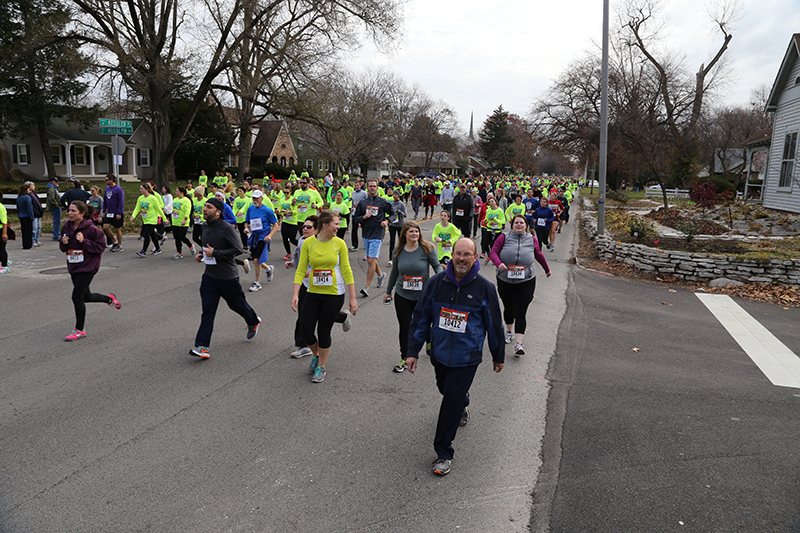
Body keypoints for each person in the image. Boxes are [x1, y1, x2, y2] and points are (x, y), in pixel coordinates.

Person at [406, 237, 505, 476]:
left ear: (475, 256)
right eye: (458, 254)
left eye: (466, 255)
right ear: (452, 254)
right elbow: (421, 317)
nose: (461, 259)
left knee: (450, 400)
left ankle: (443, 452)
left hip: (466, 357)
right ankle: (464, 401)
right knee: (445, 389)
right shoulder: (437, 283)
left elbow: (494, 325)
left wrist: (497, 355)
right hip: (439, 353)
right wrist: (412, 351)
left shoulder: (485, 288)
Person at [291, 210, 358, 383]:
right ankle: (316, 353)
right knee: (306, 331)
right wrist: (295, 293)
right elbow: (300, 270)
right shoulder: (308, 243)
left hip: (334, 294)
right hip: (313, 292)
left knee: (323, 330)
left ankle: (321, 366)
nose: (339, 226)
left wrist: (352, 297)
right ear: (325, 225)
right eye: (336, 223)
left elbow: (347, 270)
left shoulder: (339, 243)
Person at [190, 197, 262, 359]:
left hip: (227, 277)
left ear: (218, 212)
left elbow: (237, 249)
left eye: (209, 207)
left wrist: (214, 253)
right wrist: (202, 254)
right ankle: (202, 346)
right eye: (205, 206)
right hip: (209, 277)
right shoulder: (205, 226)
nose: (204, 209)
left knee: (237, 305)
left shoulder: (226, 228)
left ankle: (253, 321)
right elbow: (208, 247)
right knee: (207, 312)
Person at [383, 221, 441, 372]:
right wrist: (388, 291)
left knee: (425, 322)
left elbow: (437, 267)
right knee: (405, 326)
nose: (415, 234)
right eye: (411, 232)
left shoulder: (426, 249)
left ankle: (429, 341)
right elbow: (394, 272)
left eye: (417, 231)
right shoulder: (399, 250)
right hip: (403, 295)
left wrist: (443, 283)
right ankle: (404, 356)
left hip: (423, 296)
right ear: (405, 234)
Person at [59, 201, 121, 341]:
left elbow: (100, 247)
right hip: (73, 265)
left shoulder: (92, 229)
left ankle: (80, 329)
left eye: (73, 211)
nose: (69, 213)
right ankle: (110, 299)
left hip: (88, 266)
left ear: (82, 213)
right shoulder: (66, 226)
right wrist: (63, 243)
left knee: (76, 297)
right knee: (86, 296)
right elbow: (63, 248)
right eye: (69, 210)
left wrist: (84, 241)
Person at [490, 214, 551, 356]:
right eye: (516, 222)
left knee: (521, 310)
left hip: (526, 281)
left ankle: (519, 344)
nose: (519, 225)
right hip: (505, 279)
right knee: (508, 307)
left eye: (521, 223)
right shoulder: (503, 237)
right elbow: (494, 252)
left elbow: (538, 254)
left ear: (526, 225)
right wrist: (499, 264)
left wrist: (546, 269)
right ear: (512, 225)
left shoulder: (531, 239)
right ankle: (509, 331)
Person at [352, 178, 393, 297]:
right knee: (372, 259)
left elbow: (393, 213)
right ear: (367, 188)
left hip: (378, 233)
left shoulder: (382, 202)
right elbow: (355, 218)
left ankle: (366, 287)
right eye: (370, 186)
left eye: (374, 186)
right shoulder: (363, 203)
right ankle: (380, 275)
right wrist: (363, 217)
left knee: (370, 260)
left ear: (377, 187)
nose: (372, 188)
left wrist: (386, 221)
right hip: (366, 233)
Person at [245, 190, 279, 292]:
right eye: (253, 198)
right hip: (254, 237)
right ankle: (268, 269)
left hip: (263, 238)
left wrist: (270, 236)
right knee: (257, 260)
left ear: (261, 198)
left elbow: (276, 225)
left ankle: (257, 283)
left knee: (256, 260)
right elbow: (246, 222)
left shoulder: (267, 210)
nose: (254, 200)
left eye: (256, 198)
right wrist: (246, 228)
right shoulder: (250, 209)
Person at [130, 183, 165, 257]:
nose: (141, 190)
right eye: (140, 189)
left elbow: (159, 209)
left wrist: (164, 219)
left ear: (147, 189)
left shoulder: (153, 198)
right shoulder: (140, 198)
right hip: (145, 219)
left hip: (152, 220)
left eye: (142, 189)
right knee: (152, 235)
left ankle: (143, 251)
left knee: (146, 235)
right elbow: (137, 208)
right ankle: (158, 248)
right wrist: (133, 216)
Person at [102, 174, 126, 252]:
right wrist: (104, 210)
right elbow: (105, 200)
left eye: (107, 180)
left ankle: (119, 245)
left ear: (111, 180)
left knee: (117, 229)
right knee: (105, 227)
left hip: (117, 212)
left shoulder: (118, 189)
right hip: (109, 212)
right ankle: (114, 241)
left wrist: (119, 213)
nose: (105, 181)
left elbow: (121, 201)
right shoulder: (107, 189)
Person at [171, 187, 195, 259]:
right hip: (175, 221)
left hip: (183, 222)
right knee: (176, 238)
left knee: (182, 237)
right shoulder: (175, 199)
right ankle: (179, 252)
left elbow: (188, 211)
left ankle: (190, 245)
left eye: (177, 191)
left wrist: (185, 219)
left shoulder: (186, 200)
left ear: (182, 192)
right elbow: (174, 209)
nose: (176, 192)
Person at [277, 183, 298, 260]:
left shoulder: (293, 199)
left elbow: (296, 211)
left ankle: (302, 247)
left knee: (292, 239)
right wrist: (281, 211)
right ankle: (288, 253)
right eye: (284, 192)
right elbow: (279, 210)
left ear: (291, 192)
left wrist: (289, 212)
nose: (285, 194)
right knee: (284, 238)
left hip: (293, 222)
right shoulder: (281, 200)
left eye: (287, 192)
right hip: (285, 221)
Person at [387, 190, 407, 266]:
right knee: (392, 241)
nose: (394, 195)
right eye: (394, 194)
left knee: (401, 241)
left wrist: (399, 212)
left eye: (396, 194)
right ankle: (391, 258)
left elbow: (405, 215)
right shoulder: (391, 204)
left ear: (398, 196)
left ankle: (401, 257)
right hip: (392, 225)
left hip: (400, 225)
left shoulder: (401, 204)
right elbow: (389, 214)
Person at [349, 180, 367, 251]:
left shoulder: (364, 193)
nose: (356, 187)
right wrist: (352, 207)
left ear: (360, 186)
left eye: (357, 185)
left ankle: (366, 244)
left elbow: (367, 201)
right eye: (355, 185)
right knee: (354, 230)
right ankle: (354, 245)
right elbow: (353, 202)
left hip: (362, 214)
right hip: (355, 214)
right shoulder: (353, 193)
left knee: (365, 229)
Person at [25, 181, 44, 246]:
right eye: (33, 185)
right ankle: (33, 240)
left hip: (38, 213)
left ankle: (37, 239)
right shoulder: (28, 195)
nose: (34, 187)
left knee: (38, 227)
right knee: (34, 228)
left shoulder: (34, 193)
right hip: (35, 213)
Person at [16, 184, 34, 249]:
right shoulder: (27, 197)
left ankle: (24, 244)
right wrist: (31, 216)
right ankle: (28, 245)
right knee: (29, 231)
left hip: (21, 215)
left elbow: (18, 207)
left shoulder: (19, 197)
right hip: (27, 216)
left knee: (24, 231)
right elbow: (29, 208)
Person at [0, 200, 9, 273]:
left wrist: (4, 233)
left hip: (1, 229)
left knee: (1, 248)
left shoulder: (0, 207)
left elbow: (4, 222)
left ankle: (5, 266)